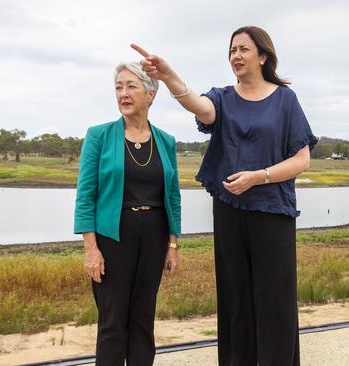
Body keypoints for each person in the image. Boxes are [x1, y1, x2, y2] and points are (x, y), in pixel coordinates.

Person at [132, 25, 316, 366]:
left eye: (244, 49)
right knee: (235, 297)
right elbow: (199, 107)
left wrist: (258, 177)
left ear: (263, 56)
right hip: (230, 209)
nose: (236, 56)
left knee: (275, 300)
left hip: (272, 212)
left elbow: (301, 159)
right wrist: (169, 74)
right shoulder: (224, 98)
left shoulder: (285, 100)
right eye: (232, 50)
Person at [73, 62, 181, 366]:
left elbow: (172, 195)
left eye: (131, 86)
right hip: (113, 238)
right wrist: (91, 249)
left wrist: (172, 244)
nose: (123, 93)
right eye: (119, 86)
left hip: (154, 236)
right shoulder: (99, 136)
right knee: (112, 322)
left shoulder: (166, 141)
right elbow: (85, 197)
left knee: (143, 320)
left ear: (151, 94)